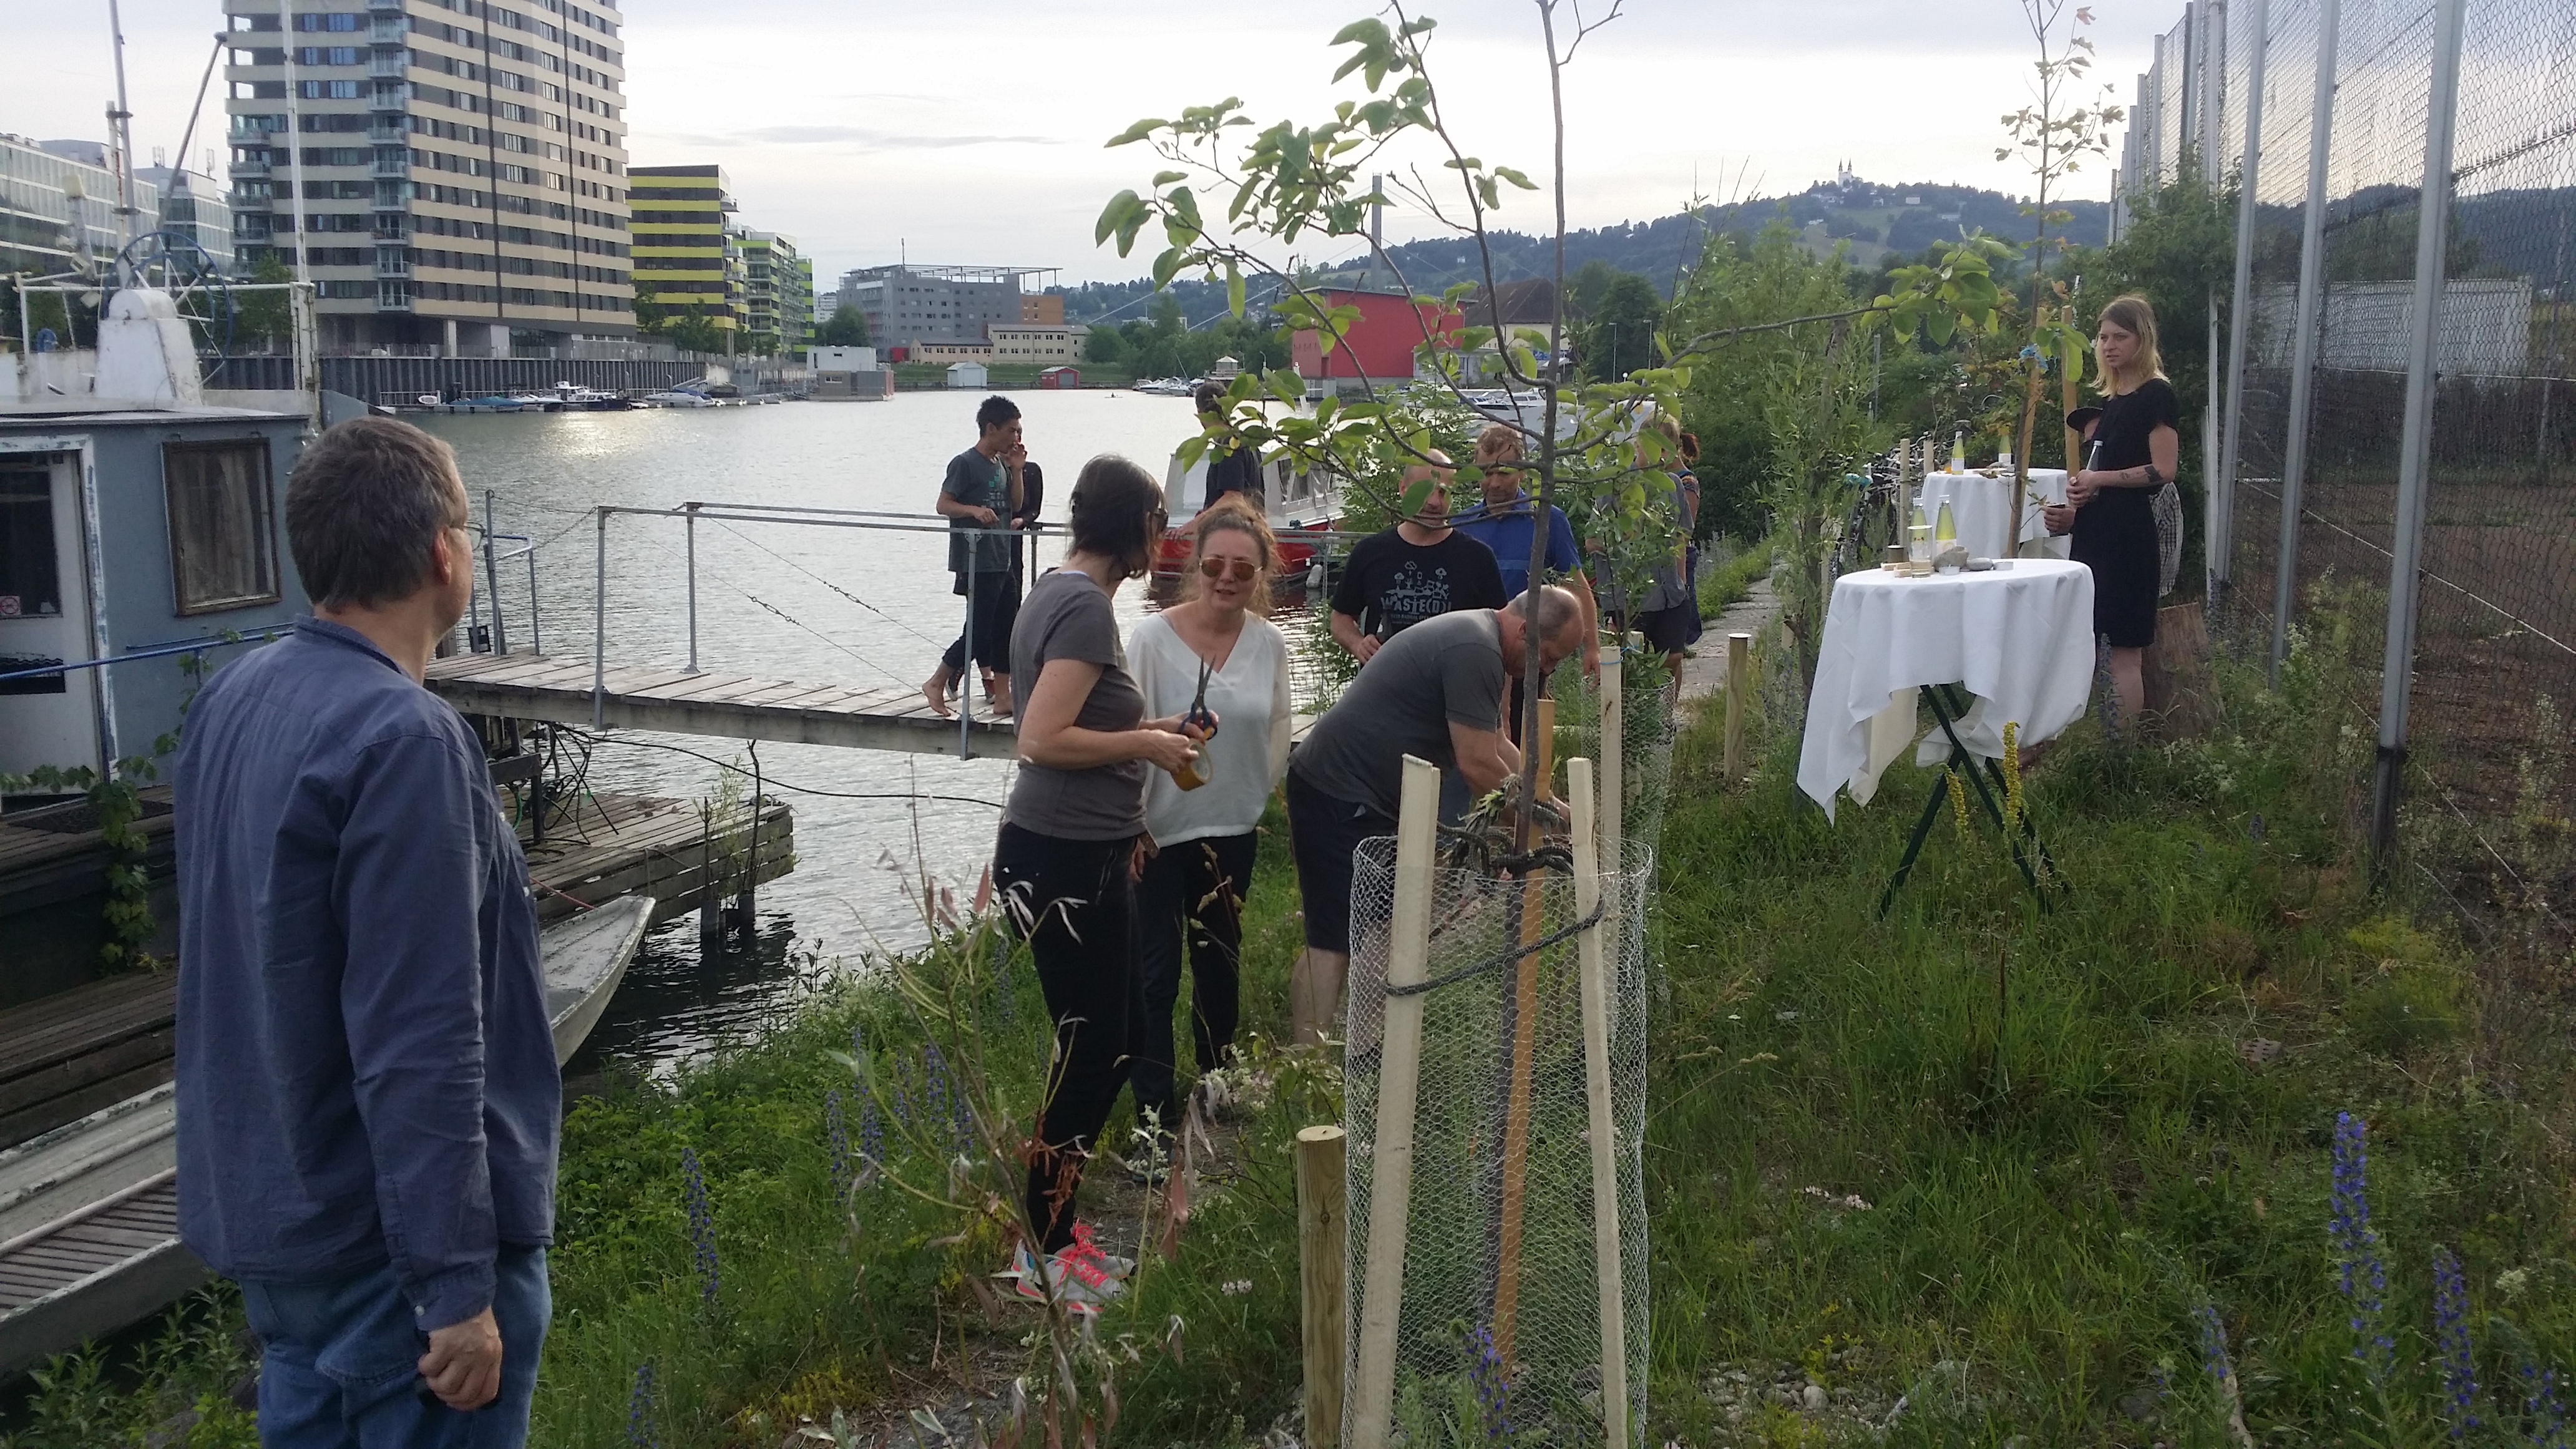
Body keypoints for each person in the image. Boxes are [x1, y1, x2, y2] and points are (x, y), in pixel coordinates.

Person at [174, 417, 556, 1447]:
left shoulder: (234, 698)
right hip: (394, 1269)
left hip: (282, 1234)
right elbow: (420, 1034)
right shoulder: (407, 741)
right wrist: (454, 1287)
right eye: (470, 527)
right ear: (442, 550)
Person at [995, 454, 1203, 1309]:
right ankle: (1042, 1254)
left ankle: (1053, 1235)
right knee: (1095, 1052)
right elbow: (1041, 738)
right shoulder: (1083, 606)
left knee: (1105, 1044)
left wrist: (1150, 749)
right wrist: (1148, 746)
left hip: (1082, 851)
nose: (1164, 542)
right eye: (1159, 526)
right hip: (1064, 865)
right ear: (1136, 529)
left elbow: (1076, 723)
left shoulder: (1055, 588)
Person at [1283, 584, 1588, 1045]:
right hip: (1336, 791)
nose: (1545, 671)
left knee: (1381, 923)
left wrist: (1555, 808)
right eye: (1547, 658)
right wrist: (1536, 826)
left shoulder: (1483, 640)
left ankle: (1363, 1049)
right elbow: (1476, 764)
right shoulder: (1475, 648)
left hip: (1370, 798)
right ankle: (1306, 1066)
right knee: (1333, 935)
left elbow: (1499, 747)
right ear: (1525, 631)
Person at [1126, 495, 1294, 1153]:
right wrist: (1130, 823)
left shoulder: (1271, 643)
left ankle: (1216, 1082)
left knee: (1219, 963)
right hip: (1156, 833)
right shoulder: (1150, 640)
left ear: (1260, 577)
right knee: (1153, 973)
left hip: (1230, 831)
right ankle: (1152, 1114)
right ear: (1196, 564)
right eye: (1216, 565)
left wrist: (1257, 798)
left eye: (1243, 571)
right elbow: (1123, 731)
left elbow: (1278, 730)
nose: (1228, 579)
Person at [2043, 293, 2180, 729]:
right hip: (2094, 538)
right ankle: (2080, 744)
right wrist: (2074, 514)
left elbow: (2164, 470)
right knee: (2082, 642)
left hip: (2129, 542)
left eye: (2120, 336)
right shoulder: (2114, 401)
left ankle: (2120, 762)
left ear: (2143, 339)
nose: (2108, 345)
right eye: (2102, 337)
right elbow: (2103, 482)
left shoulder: (2157, 395)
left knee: (2123, 651)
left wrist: (2099, 480)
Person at [1450, 422, 1600, 736]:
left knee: (1521, 737)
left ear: (1523, 472)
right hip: (1472, 654)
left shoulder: (1546, 519)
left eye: (1503, 473)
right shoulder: (1462, 525)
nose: (1493, 483)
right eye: (1485, 473)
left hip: (1526, 655)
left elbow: (1576, 584)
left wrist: (1592, 648)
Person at [1328, 451, 1508, 661]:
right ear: (1403, 489)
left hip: (1450, 688)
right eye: (1425, 491)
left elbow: (1501, 634)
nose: (1434, 502)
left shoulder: (1477, 558)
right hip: (1385, 685)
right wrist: (1358, 644)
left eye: (1442, 492)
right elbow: (1340, 617)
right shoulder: (1370, 551)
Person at [925, 394, 1027, 718]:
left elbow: (1017, 504)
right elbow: (943, 504)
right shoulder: (965, 463)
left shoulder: (1002, 463)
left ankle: (1004, 697)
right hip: (977, 559)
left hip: (1003, 556)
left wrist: (1018, 470)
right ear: (991, 428)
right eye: (1011, 430)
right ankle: (938, 680)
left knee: (1007, 628)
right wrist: (973, 511)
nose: (1016, 437)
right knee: (979, 629)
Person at [1193, 381, 1263, 510]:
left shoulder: (1228, 447)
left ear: (1200, 412)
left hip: (1231, 528)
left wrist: (1196, 522)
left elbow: (1233, 498)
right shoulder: (1248, 443)